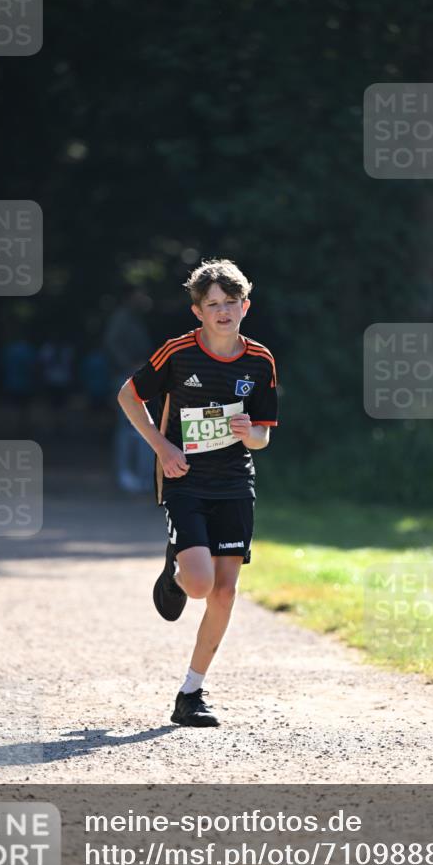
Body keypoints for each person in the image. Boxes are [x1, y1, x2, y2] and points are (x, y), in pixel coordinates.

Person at [117, 259, 278, 727]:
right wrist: (162, 446)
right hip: (184, 478)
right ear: (198, 311)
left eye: (231, 303)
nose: (223, 312)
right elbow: (129, 395)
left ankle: (191, 693)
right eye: (213, 305)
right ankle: (176, 571)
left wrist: (249, 433)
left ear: (245, 306)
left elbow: (262, 438)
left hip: (234, 484)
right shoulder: (178, 353)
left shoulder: (260, 360)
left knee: (224, 594)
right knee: (201, 584)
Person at [105, 288, 155, 493]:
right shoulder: (122, 318)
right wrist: (128, 365)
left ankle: (140, 475)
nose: (145, 299)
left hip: (137, 375)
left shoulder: (135, 318)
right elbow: (111, 344)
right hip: (125, 376)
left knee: (139, 426)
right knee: (126, 427)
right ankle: (125, 474)